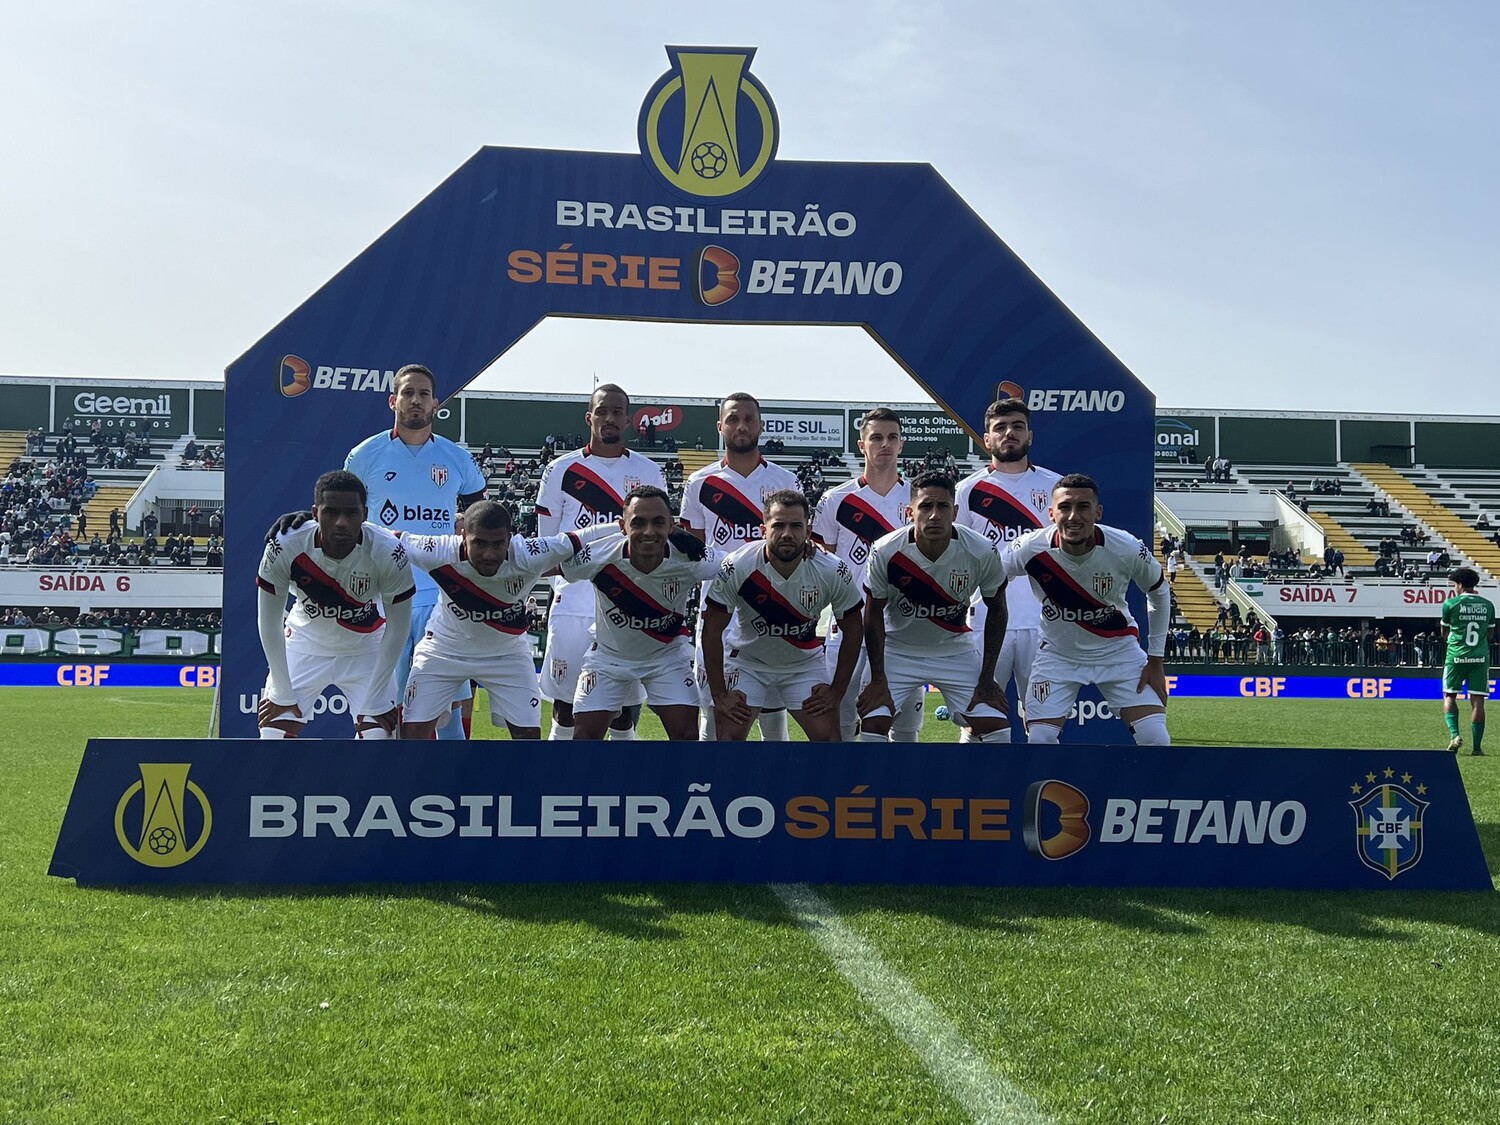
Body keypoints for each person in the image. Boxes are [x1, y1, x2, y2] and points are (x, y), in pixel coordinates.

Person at [344, 364, 487, 739]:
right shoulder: (365, 455)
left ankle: (454, 786)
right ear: (394, 400)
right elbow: (342, 516)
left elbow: (482, 515)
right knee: (379, 705)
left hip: (440, 596)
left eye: (424, 394)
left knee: (447, 706)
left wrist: (466, 523)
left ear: (436, 403)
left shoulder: (456, 458)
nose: (416, 401)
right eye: (408, 393)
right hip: (382, 594)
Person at [396, 500, 611, 739]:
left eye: (498, 544)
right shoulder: (438, 551)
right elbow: (385, 538)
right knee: (412, 734)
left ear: (510, 538)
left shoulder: (529, 554)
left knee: (528, 737)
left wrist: (627, 529)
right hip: (443, 650)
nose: (489, 554)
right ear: (463, 535)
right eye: (479, 543)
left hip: (507, 654)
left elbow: (583, 536)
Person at [535, 383, 668, 741]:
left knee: (622, 712)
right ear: (589, 417)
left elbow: (659, 542)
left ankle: (622, 788)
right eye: (602, 411)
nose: (609, 418)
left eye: (617, 412)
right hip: (574, 598)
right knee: (565, 706)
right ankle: (556, 784)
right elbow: (548, 543)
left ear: (628, 420)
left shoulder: (649, 472)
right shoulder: (561, 469)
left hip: (629, 601)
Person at [1000, 473, 1171, 745]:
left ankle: (1137, 790)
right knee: (1040, 739)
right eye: (1065, 507)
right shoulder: (1030, 548)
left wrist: (1156, 659)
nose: (1073, 516)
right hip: (1058, 655)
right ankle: (1051, 789)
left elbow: (1159, 591)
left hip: (1118, 652)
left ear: (1097, 512)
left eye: (1083, 507)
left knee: (1156, 739)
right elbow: (991, 578)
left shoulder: (1126, 547)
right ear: (1051, 514)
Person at [256, 470, 415, 739]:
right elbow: (268, 621)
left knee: (378, 738)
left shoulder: (388, 551)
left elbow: (399, 628)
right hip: (304, 644)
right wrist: (282, 692)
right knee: (272, 734)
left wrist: (376, 697)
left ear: (365, 514)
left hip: (366, 650)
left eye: (351, 513)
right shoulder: (286, 544)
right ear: (315, 513)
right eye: (331, 512)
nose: (341, 522)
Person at [857, 471, 1012, 742]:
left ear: (955, 511)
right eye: (926, 506)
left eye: (942, 507)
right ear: (910, 512)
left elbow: (998, 609)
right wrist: (878, 679)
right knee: (873, 722)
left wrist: (987, 678)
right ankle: (877, 786)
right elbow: (872, 614)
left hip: (954, 649)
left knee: (996, 726)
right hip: (897, 650)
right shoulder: (886, 551)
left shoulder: (981, 550)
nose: (934, 515)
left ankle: (972, 785)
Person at [681, 392, 799, 740]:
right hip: (719, 606)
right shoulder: (699, 483)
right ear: (720, 426)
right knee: (714, 705)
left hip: (774, 605)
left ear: (760, 425)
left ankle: (774, 789)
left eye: (749, 418)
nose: (741, 426)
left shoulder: (786, 481)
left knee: (774, 709)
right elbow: (695, 552)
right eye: (733, 419)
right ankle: (710, 787)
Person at [557, 487, 720, 740]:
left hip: (666, 657)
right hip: (609, 658)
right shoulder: (598, 556)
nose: (649, 532)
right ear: (623, 526)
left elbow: (739, 565)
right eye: (638, 523)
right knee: (584, 738)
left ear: (671, 526)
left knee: (687, 735)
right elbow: (546, 565)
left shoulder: (693, 557)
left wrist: (802, 551)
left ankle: (688, 782)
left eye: (658, 522)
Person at [701, 490, 864, 742]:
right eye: (778, 525)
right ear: (763, 530)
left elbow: (854, 629)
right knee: (729, 737)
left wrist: (837, 691)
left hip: (803, 665)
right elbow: (711, 628)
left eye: (796, 526)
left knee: (829, 738)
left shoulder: (832, 569)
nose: (787, 534)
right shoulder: (738, 565)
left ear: (808, 531)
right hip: (747, 662)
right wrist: (720, 694)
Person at [955, 396, 1061, 741]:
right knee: (979, 718)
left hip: (1044, 622)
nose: (1009, 433)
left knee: (1043, 723)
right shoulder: (965, 492)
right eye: (999, 428)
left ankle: (1037, 789)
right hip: (986, 621)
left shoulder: (1057, 488)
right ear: (986, 439)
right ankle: (972, 792)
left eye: (1017, 426)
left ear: (1030, 435)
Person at [811, 408, 917, 740]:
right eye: (876, 437)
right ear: (861, 445)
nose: (884, 444)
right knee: (838, 718)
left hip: (902, 627)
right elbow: (821, 564)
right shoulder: (835, 500)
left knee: (904, 726)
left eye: (892, 437)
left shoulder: (918, 499)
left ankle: (900, 789)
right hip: (848, 625)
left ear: (901, 444)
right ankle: (840, 789)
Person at [1440, 566, 1495, 755]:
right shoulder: (1488, 605)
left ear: (1460, 584)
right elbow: (1490, 633)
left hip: (1456, 655)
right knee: (1478, 701)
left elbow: (1444, 632)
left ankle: (1455, 735)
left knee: (1449, 696)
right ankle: (1477, 749)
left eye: (1454, 584)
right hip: (1480, 657)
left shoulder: (1450, 604)